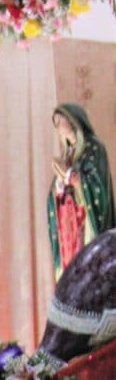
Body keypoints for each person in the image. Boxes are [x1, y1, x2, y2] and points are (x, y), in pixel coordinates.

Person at [47, 102, 115, 279]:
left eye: (62, 121)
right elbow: (54, 195)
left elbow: (97, 186)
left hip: (87, 225)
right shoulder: (67, 154)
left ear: (74, 121)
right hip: (70, 226)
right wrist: (60, 186)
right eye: (56, 124)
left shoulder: (94, 148)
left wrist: (72, 177)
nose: (60, 128)